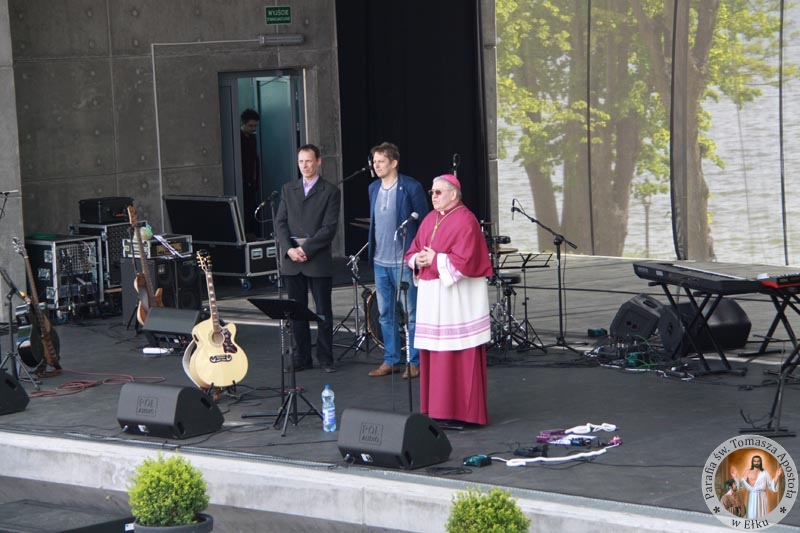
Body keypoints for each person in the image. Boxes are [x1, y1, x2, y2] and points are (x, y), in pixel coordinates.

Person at [404, 174, 493, 425]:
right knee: (436, 353)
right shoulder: (429, 219)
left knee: (458, 354)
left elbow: (466, 261)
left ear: (453, 194)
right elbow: (413, 250)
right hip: (433, 299)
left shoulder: (466, 220)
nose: (433, 196)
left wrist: (435, 259)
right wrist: (418, 260)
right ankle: (437, 410)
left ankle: (464, 413)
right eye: (431, 192)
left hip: (457, 301)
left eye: (438, 192)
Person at [274, 144, 341, 373]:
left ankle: (325, 357)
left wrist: (306, 249)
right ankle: (302, 356)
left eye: (309, 161)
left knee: (322, 311)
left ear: (318, 162)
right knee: (296, 311)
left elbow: (329, 228)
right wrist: (289, 249)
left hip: (317, 259)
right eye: (301, 161)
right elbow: (280, 223)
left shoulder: (330, 191)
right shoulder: (288, 189)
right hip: (292, 260)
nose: (305, 166)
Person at [367, 142, 429, 379]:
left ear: (394, 163)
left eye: (381, 161)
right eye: (374, 161)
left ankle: (415, 361)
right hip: (380, 261)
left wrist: (418, 254)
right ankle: (391, 359)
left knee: (412, 313)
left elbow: (424, 222)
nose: (376, 165)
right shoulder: (373, 188)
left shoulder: (410, 187)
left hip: (404, 262)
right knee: (385, 313)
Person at [731, 454, 783, 518]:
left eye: (758, 461)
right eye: (755, 461)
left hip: (761, 496)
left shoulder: (765, 473)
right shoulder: (747, 472)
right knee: (751, 514)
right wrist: (735, 477)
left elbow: (771, 485)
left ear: (760, 462)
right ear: (752, 462)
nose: (756, 462)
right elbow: (741, 485)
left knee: (761, 515)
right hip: (751, 496)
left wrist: (777, 476)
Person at [240, 108, 261, 239]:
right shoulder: (239, 139)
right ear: (243, 124)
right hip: (243, 180)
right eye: (250, 126)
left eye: (255, 126)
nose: (253, 128)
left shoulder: (252, 139)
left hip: (251, 182)